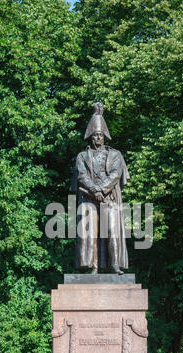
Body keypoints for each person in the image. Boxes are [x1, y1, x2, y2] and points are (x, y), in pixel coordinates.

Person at [71, 103, 129, 274]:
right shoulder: (82, 156)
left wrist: (101, 190)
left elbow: (115, 174)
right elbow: (81, 175)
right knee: (90, 232)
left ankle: (115, 265)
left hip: (109, 198)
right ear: (91, 137)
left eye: (100, 135)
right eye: (95, 135)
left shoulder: (115, 154)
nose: (98, 138)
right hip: (89, 198)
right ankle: (93, 267)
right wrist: (94, 191)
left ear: (104, 136)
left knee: (112, 230)